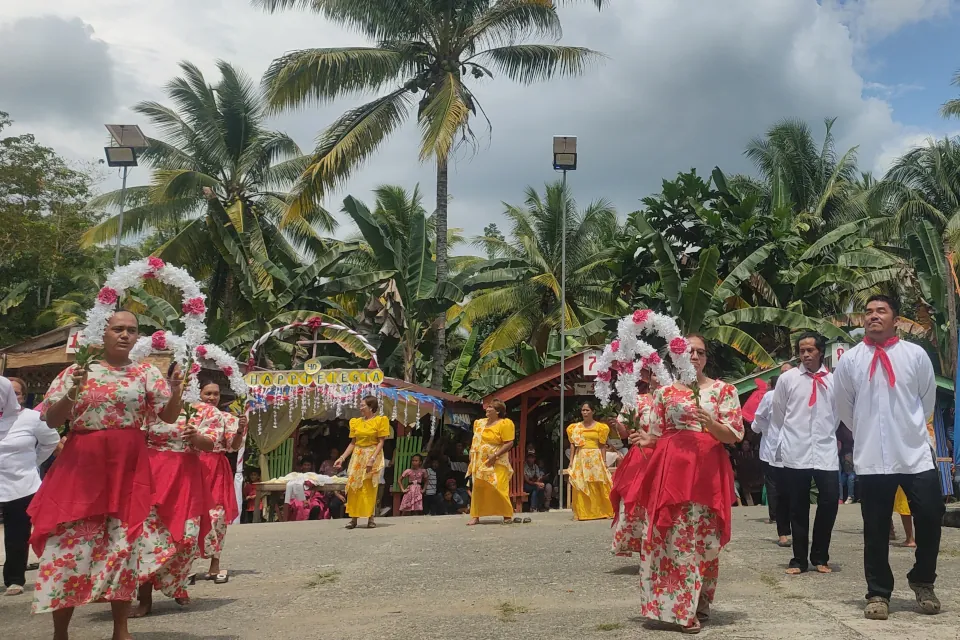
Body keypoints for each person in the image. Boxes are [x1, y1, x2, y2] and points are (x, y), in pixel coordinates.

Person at [29, 310, 183, 640]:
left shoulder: (146, 372)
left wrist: (177, 389)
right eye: (118, 329)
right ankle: (60, 633)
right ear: (104, 333)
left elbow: (168, 417)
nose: (125, 335)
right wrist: (75, 388)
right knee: (68, 548)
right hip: (82, 466)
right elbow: (51, 420)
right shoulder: (77, 370)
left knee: (122, 547)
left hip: (127, 467)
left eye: (132, 330)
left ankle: (121, 630)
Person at [619, 334, 744, 634]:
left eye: (700, 352)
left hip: (706, 474)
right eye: (688, 351)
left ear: (706, 357)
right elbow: (658, 434)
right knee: (675, 538)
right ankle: (679, 609)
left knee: (705, 539)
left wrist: (710, 423)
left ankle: (700, 600)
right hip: (671, 472)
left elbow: (735, 435)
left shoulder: (723, 390)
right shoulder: (663, 394)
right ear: (676, 356)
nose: (694, 356)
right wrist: (647, 440)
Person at [834, 294, 944, 620]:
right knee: (876, 528)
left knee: (930, 516)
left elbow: (927, 399)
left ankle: (923, 579)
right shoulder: (851, 360)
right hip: (872, 458)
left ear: (895, 319)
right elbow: (844, 407)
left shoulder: (916, 355)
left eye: (881, 311)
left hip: (913, 454)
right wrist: (867, 433)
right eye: (868, 312)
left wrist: (907, 431)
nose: (873, 316)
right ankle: (878, 592)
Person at [132, 366, 218, 617]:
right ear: (168, 377)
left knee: (187, 538)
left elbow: (211, 443)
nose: (183, 377)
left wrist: (196, 437)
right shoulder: (151, 407)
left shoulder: (202, 410)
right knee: (148, 538)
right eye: (178, 373)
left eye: (189, 373)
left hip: (186, 478)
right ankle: (144, 598)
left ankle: (176, 584)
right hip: (152, 476)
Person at [773, 332, 840, 576]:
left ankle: (820, 555)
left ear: (820, 351)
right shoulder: (788, 379)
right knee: (798, 505)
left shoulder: (833, 380)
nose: (805, 355)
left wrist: (824, 435)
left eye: (810, 350)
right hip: (796, 449)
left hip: (825, 449)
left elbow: (837, 414)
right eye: (802, 350)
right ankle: (799, 559)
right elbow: (779, 413)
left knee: (830, 500)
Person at [0, 377, 60, 596]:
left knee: (17, 533)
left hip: (21, 484)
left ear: (23, 396)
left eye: (16, 393)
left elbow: (50, 441)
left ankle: (14, 579)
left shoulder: (32, 418)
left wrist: (33, 462)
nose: (10, 397)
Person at [196, 380, 246, 585]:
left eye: (215, 394)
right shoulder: (190, 413)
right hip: (193, 465)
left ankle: (215, 564)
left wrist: (241, 430)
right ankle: (183, 565)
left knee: (217, 516)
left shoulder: (226, 418)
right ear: (199, 393)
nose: (212, 397)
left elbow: (233, 446)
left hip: (216, 467)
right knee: (191, 516)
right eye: (208, 393)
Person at [611, 369, 659, 555]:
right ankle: (641, 545)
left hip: (665, 454)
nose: (658, 378)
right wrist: (617, 424)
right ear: (647, 378)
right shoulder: (637, 400)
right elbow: (624, 434)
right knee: (636, 500)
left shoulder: (675, 399)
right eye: (654, 374)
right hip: (641, 455)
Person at [334, 395, 389, 529]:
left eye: (362, 405)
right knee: (354, 485)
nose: (360, 407)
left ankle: (371, 518)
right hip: (357, 456)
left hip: (372, 454)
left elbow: (381, 442)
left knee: (369, 486)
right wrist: (342, 458)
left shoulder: (380, 421)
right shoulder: (356, 422)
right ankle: (353, 519)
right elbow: (353, 442)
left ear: (371, 407)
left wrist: (372, 459)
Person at [751, 374, 791, 546]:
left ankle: (780, 519)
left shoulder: (797, 393)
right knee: (774, 485)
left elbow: (756, 423)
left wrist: (765, 430)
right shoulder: (769, 396)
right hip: (772, 447)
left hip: (793, 446)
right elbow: (758, 418)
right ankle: (778, 521)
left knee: (786, 488)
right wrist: (770, 431)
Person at [466, 399, 516, 525]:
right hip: (480, 461)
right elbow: (475, 441)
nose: (487, 409)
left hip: (497, 460)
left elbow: (509, 442)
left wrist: (495, 456)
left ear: (498, 411)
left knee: (499, 486)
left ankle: (506, 515)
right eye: (487, 407)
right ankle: (475, 516)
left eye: (490, 407)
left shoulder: (505, 423)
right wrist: (472, 457)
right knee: (479, 487)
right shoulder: (479, 423)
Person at [566, 401, 615, 521]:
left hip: (595, 457)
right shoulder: (575, 427)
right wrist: (571, 461)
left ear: (593, 411)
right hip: (581, 457)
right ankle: (583, 513)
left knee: (599, 482)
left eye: (587, 410)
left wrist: (604, 461)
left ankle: (603, 511)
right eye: (583, 410)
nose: (585, 412)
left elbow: (602, 445)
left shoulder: (600, 427)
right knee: (581, 482)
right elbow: (573, 445)